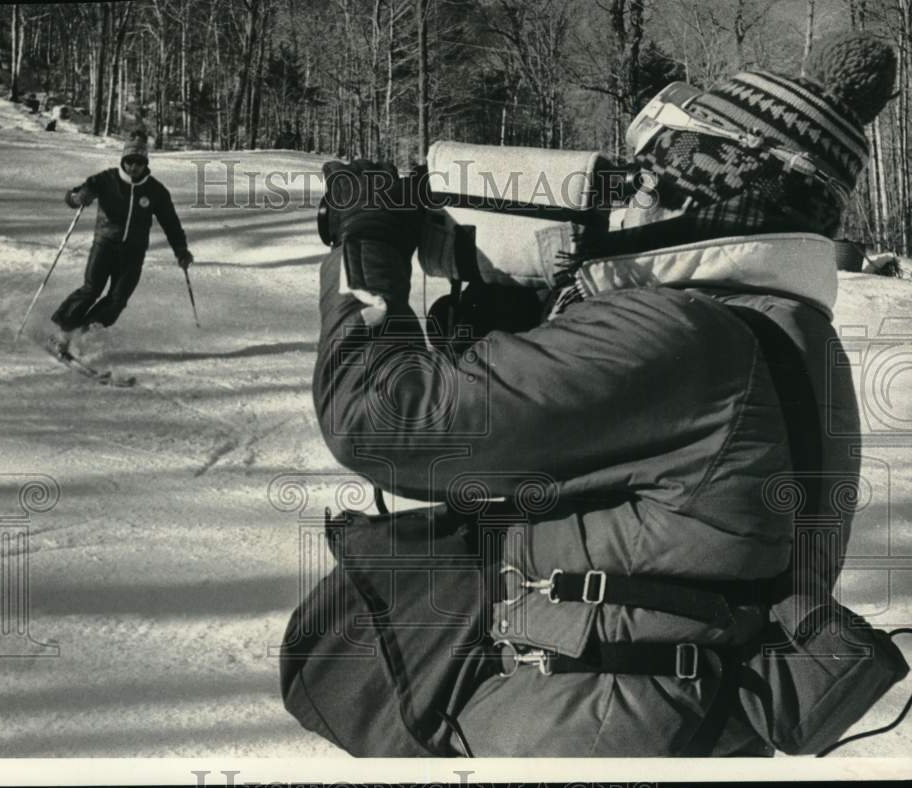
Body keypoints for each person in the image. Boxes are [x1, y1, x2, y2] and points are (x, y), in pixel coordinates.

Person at [305, 32, 897, 756]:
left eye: (655, 176)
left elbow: (384, 420)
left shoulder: (683, 334)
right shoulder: (789, 335)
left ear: (719, 184)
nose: (633, 197)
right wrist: (533, 336)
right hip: (680, 718)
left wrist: (367, 248)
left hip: (587, 725)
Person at [50, 130, 193, 354]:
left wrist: (181, 251)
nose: (133, 167)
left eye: (138, 162)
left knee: (118, 299)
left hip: (133, 252)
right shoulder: (106, 179)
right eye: (129, 161)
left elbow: (171, 223)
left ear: (146, 163)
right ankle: (63, 330)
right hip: (105, 244)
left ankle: (82, 335)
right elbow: (75, 195)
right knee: (91, 289)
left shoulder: (156, 190)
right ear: (123, 160)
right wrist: (79, 197)